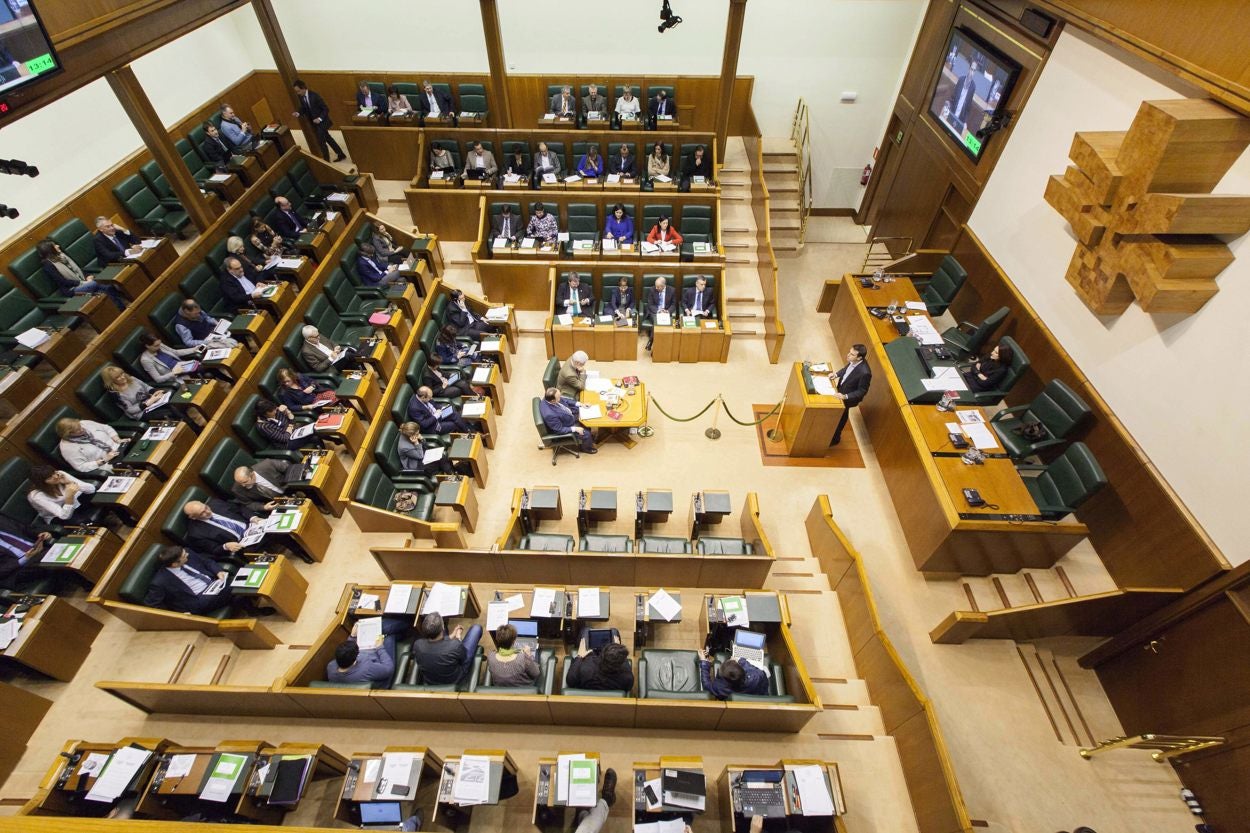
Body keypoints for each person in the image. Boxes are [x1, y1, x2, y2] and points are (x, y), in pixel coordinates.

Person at [142, 545, 234, 615]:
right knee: (235, 585)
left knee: (236, 591)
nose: (187, 554)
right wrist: (178, 615)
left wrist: (218, 571)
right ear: (174, 564)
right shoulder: (160, 582)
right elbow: (151, 606)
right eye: (184, 556)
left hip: (214, 583)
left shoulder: (187, 552)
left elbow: (206, 561)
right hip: (198, 600)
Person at [37, 239, 126, 309]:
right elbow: (63, 281)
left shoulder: (62, 255)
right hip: (72, 289)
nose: (58, 246)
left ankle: (122, 309)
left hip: (84, 282)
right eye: (55, 246)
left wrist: (87, 276)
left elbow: (77, 269)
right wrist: (83, 283)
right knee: (96, 283)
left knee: (106, 287)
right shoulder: (48, 264)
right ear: (50, 250)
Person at [411, 612, 483, 686]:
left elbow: (438, 645)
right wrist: (458, 638)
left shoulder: (417, 645)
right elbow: (463, 657)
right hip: (455, 679)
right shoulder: (455, 645)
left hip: (431, 680)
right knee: (476, 629)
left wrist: (451, 636)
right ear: (442, 628)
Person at [181, 498, 259, 556]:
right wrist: (225, 546)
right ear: (193, 517)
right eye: (202, 513)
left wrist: (252, 517)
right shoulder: (195, 534)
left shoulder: (215, 503)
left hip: (254, 525)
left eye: (206, 507)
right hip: (244, 543)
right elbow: (214, 549)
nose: (208, 512)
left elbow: (240, 508)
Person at [292, 79, 346, 162]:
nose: (297, 93)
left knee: (321, 141)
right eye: (296, 92)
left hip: (322, 122)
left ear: (303, 88)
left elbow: (326, 109)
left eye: (298, 91)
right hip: (314, 123)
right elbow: (304, 108)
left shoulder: (315, 96)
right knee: (328, 138)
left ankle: (326, 161)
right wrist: (298, 113)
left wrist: (319, 118)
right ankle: (341, 154)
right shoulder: (301, 97)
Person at [102, 364, 178, 421]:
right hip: (141, 413)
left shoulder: (132, 379)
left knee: (173, 402)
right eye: (117, 377)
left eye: (122, 373)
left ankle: (187, 423)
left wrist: (155, 391)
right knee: (169, 412)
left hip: (152, 402)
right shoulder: (116, 394)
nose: (122, 377)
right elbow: (130, 410)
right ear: (112, 381)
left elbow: (146, 387)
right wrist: (148, 403)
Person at [27, 465, 97, 526]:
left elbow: (91, 489)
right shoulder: (37, 496)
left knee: (98, 495)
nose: (55, 477)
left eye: (53, 473)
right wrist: (69, 497)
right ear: (42, 483)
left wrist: (69, 482)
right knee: (85, 522)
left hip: (74, 503)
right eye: (49, 478)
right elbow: (64, 516)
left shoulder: (60, 474)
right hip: (57, 516)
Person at [830, 343, 871, 446]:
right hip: (841, 390)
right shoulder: (853, 361)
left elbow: (862, 391)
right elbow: (846, 370)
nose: (848, 355)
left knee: (842, 416)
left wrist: (845, 396)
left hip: (848, 397)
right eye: (849, 352)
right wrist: (836, 374)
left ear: (859, 358)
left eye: (852, 354)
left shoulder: (865, 372)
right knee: (838, 414)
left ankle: (835, 439)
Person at [328, 624, 394, 686]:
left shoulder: (331, 667)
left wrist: (352, 637)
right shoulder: (366, 669)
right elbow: (388, 669)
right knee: (389, 638)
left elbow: (346, 653)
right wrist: (380, 648)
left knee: (388, 633)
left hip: (370, 666)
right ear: (355, 659)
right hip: (381, 677)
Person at [0, 517, 53, 592]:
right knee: (49, 555)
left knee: (49, 553)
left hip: (38, 549)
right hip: (18, 569)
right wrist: (25, 558)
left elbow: (25, 529)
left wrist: (41, 534)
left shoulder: (2, 519)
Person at [55, 417, 122, 474]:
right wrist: (104, 460)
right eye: (78, 430)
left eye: (80, 426)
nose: (82, 429)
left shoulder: (84, 423)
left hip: (119, 448)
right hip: (108, 463)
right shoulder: (67, 448)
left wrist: (117, 439)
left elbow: (106, 428)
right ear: (69, 434)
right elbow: (81, 467)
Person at [698, 647, 770, 700]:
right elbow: (758, 673)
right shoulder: (758, 677)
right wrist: (740, 661)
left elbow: (706, 685)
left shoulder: (720, 688)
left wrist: (703, 661)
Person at [566, 634, 632, 691]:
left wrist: (579, 656)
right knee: (615, 631)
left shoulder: (585, 668)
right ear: (621, 664)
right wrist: (617, 650)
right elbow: (628, 688)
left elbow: (570, 681)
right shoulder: (627, 677)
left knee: (585, 631)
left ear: (601, 655)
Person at [540, 387, 596, 454]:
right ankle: (587, 449)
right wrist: (575, 429)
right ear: (553, 401)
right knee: (586, 434)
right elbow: (559, 430)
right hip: (566, 424)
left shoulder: (548, 397)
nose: (560, 398)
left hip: (567, 414)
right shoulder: (550, 415)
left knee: (586, 413)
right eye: (559, 398)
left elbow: (565, 400)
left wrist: (581, 404)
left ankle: (587, 432)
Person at [255, 398, 324, 450]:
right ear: (264, 413)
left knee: (315, 432)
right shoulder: (263, 426)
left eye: (275, 409)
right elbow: (284, 438)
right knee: (314, 432)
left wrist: (288, 412)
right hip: (286, 444)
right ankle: (333, 439)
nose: (275, 412)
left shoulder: (276, 410)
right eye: (271, 411)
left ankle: (328, 450)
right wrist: (290, 426)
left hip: (295, 432)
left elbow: (293, 420)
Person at [174, 300, 238, 349]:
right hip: (205, 340)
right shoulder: (181, 325)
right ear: (187, 312)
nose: (199, 315)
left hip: (214, 331)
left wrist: (216, 323)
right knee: (232, 344)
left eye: (199, 312)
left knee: (237, 330)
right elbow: (189, 342)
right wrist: (207, 342)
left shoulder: (196, 309)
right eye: (196, 314)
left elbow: (207, 318)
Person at [644, 276, 676, 350]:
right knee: (657, 322)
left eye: (658, 287)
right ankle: (655, 345)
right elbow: (650, 304)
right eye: (656, 286)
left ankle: (651, 342)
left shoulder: (672, 290)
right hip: (654, 312)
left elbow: (673, 305)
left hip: (666, 312)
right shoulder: (652, 290)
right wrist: (659, 311)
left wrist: (667, 311)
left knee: (661, 323)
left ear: (663, 286)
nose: (656, 288)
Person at [951, 60, 980, 131]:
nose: (971, 72)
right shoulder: (961, 80)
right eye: (971, 69)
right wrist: (948, 106)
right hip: (952, 112)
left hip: (960, 118)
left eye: (974, 71)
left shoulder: (973, 87)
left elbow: (968, 108)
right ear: (969, 68)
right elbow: (953, 98)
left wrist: (965, 122)